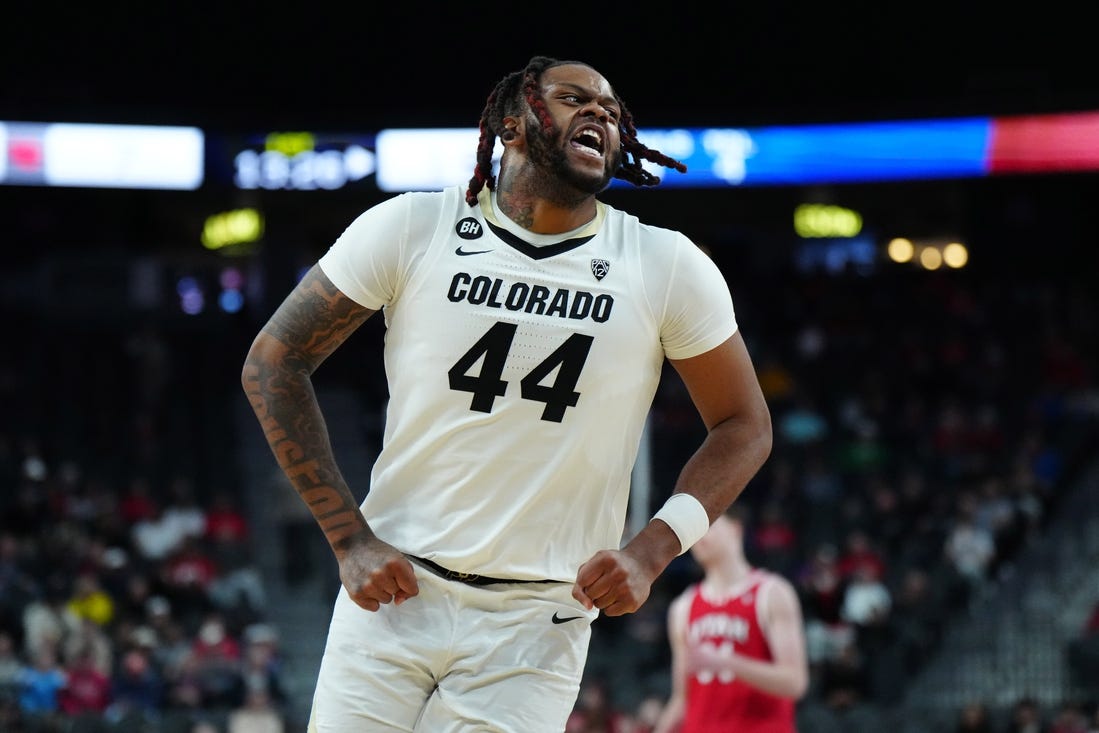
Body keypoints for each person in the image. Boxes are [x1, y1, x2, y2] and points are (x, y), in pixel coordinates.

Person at [241, 54, 772, 732]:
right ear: (513, 122)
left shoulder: (667, 266)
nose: (600, 115)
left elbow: (744, 423)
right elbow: (272, 363)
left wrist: (653, 549)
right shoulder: (411, 227)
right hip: (395, 593)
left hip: (537, 620)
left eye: (611, 111)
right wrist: (348, 539)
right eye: (575, 98)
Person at [653, 506, 808, 733]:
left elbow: (795, 682)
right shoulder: (683, 607)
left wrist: (728, 663)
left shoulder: (772, 593)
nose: (699, 537)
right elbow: (681, 699)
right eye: (694, 531)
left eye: (707, 527)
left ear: (735, 529)